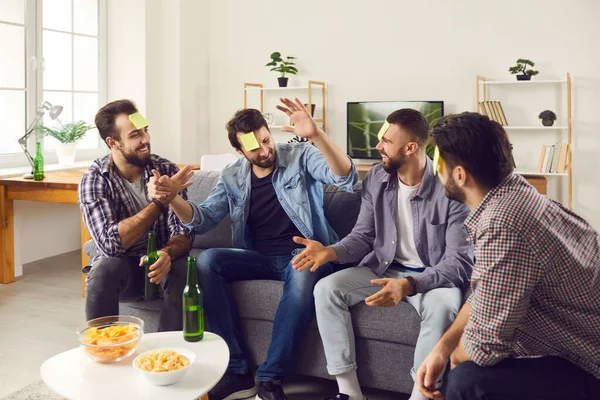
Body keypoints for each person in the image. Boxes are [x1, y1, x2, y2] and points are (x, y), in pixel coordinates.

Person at [148, 98, 358, 400]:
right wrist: (172, 200)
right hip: (258, 257)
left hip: (304, 253)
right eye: (254, 148)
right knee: (207, 261)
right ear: (239, 151)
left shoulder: (300, 155)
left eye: (266, 140)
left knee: (301, 271)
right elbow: (203, 220)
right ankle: (238, 371)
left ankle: (271, 380)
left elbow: (345, 178)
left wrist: (317, 135)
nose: (264, 150)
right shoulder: (233, 176)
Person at [292, 109, 474, 400]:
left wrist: (410, 285)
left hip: (433, 278)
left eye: (387, 141)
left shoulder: (450, 187)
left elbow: (459, 263)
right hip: (384, 267)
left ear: (411, 147)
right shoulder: (378, 177)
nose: (379, 147)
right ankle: (349, 392)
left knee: (443, 308)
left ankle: (420, 394)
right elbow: (363, 236)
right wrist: (330, 252)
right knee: (326, 289)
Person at [417, 112, 600, 400]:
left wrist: (456, 356)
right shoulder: (516, 191)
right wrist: (443, 348)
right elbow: (484, 293)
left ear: (460, 175)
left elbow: (485, 347)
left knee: (467, 380)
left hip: (589, 365)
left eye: (439, 164)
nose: (436, 172)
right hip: (577, 347)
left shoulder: (502, 225)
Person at [79, 99, 194, 332]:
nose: (145, 140)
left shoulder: (167, 170)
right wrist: (160, 202)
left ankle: (166, 355)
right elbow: (111, 245)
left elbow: (184, 232)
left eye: (145, 130)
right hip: (127, 271)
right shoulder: (95, 179)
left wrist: (167, 252)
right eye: (134, 135)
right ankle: (105, 351)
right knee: (103, 269)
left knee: (185, 269)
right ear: (113, 142)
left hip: (163, 265)